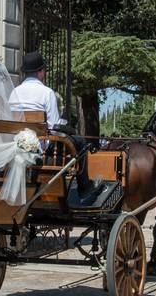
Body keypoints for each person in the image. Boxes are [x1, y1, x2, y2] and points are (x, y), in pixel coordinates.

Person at [9, 51, 100, 197]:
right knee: (82, 143)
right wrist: (67, 126)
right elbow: (54, 128)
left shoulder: (14, 92)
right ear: (40, 71)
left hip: (19, 145)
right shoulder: (46, 92)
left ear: (25, 72)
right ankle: (85, 187)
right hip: (42, 147)